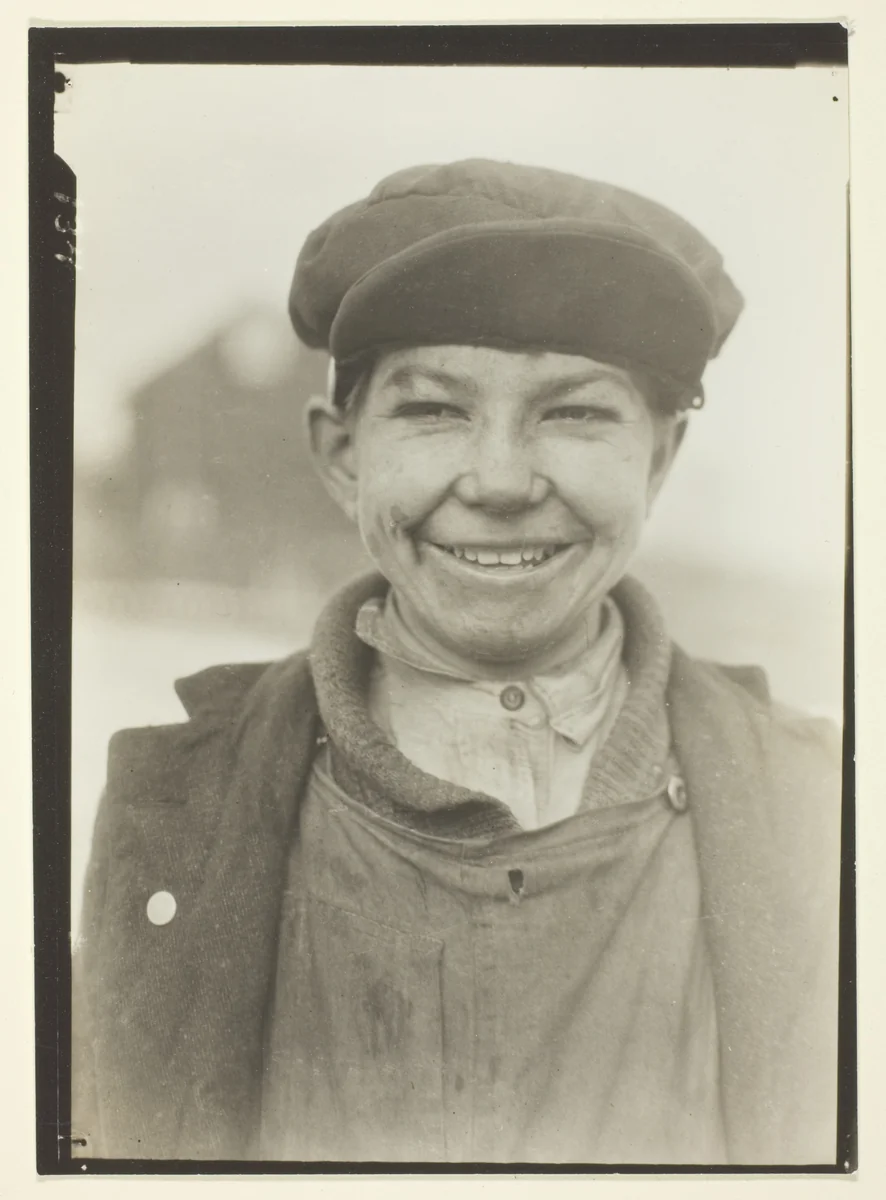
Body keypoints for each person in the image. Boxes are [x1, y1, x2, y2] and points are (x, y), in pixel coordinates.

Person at [72, 159, 842, 1166]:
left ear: (660, 459)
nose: (501, 480)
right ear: (342, 456)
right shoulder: (176, 805)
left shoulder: (823, 809)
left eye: (573, 412)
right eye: (434, 410)